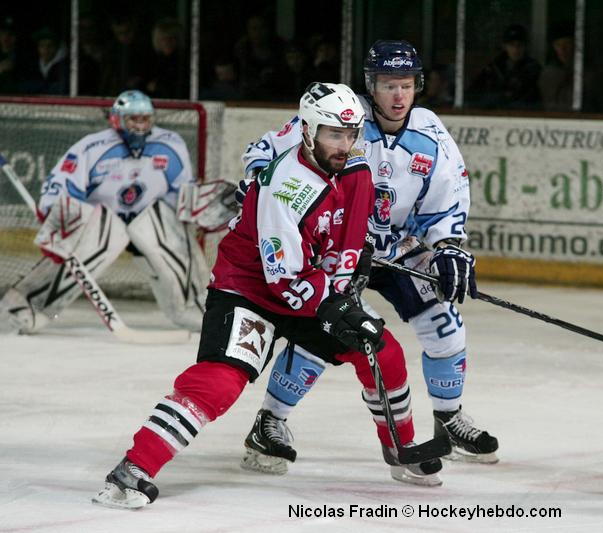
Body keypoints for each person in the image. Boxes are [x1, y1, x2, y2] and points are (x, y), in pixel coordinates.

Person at [92, 83, 443, 510]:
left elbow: (350, 237)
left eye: (351, 134)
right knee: (221, 381)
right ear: (308, 131)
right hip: (249, 289)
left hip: (309, 285)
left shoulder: (355, 166)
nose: (345, 144)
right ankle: (133, 469)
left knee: (381, 352)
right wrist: (337, 306)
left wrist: (354, 270)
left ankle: (400, 449)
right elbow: (285, 279)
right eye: (334, 134)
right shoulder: (285, 187)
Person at [238, 40, 498, 476]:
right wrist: (257, 181)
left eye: (406, 85)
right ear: (370, 86)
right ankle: (270, 421)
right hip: (339, 249)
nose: (398, 95)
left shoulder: (430, 132)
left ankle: (448, 418)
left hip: (397, 250)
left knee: (445, 325)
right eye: (388, 84)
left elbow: (449, 198)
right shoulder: (342, 117)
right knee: (330, 331)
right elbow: (265, 152)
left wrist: (449, 245)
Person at [0, 90, 221, 335]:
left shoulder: (170, 144)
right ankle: (25, 308)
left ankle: (198, 307)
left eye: (145, 119)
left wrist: (196, 209)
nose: (140, 126)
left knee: (171, 232)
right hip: (102, 223)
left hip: (150, 221)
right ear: (117, 119)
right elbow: (60, 185)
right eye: (133, 119)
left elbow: (181, 193)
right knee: (78, 246)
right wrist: (56, 217)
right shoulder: (93, 147)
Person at [467, 24, 541, 109]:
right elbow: (473, 94)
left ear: (525, 46)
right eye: (511, 45)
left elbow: (530, 99)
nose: (516, 49)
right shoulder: (494, 67)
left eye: (519, 45)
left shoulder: (533, 69)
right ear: (504, 46)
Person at [20, 27, 68, 95]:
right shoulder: (31, 65)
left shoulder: (64, 67)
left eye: (50, 45)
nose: (46, 49)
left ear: (57, 47)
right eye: (42, 45)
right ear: (38, 48)